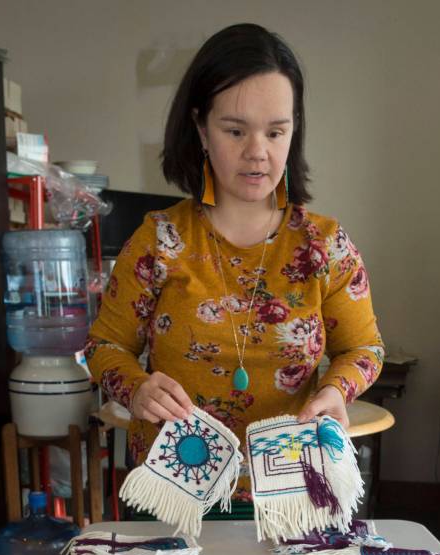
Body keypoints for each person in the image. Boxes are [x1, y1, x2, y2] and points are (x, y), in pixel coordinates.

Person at [84, 23, 384, 498]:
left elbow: (365, 349)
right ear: (201, 128)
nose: (258, 153)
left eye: (276, 131)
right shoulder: (160, 240)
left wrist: (334, 392)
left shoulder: (323, 246)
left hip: (291, 492)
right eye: (235, 130)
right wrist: (136, 387)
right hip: (174, 490)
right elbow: (104, 347)